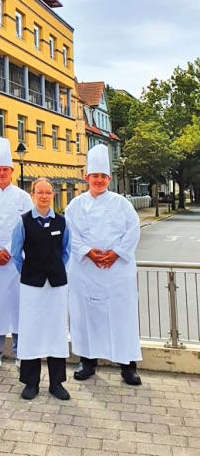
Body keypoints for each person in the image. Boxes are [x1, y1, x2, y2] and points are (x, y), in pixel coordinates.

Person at [66, 144, 142, 386]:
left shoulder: (122, 204)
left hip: (116, 273)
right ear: (86, 177)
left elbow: (133, 231)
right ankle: (87, 361)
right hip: (86, 272)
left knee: (122, 317)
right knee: (85, 316)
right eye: (94, 176)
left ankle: (128, 365)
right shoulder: (75, 205)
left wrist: (115, 253)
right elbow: (70, 234)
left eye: (102, 176)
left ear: (108, 178)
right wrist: (89, 253)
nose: (98, 180)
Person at [11, 178, 71, 400]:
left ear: (53, 195)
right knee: (31, 331)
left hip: (56, 285)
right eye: (40, 192)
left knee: (56, 331)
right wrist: (31, 271)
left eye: (48, 192)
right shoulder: (23, 222)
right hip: (31, 285)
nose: (44, 196)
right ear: (33, 194)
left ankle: (57, 383)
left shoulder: (62, 222)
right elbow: (15, 254)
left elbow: (66, 252)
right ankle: (31, 383)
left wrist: (52, 269)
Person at [0, 138, 33, 372]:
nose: (2, 173)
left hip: (16, 262)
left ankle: (22, 353)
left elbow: (27, 228)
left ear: (11, 171)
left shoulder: (23, 197)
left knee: (19, 307)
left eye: (5, 169)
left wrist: (9, 250)